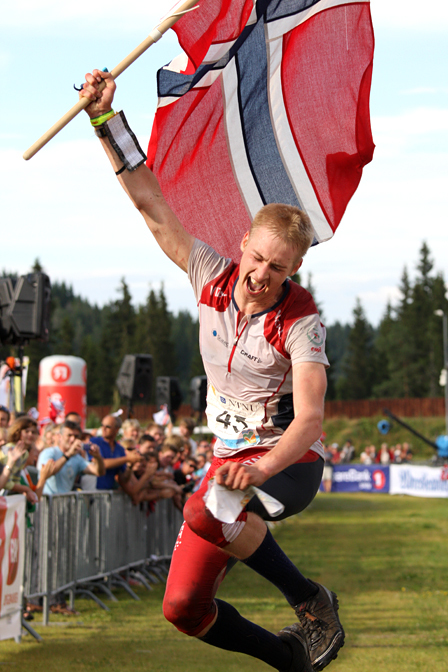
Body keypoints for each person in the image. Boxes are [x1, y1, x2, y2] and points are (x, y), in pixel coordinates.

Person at [80, 70, 344, 672]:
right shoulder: (210, 275)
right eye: (256, 257)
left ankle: (311, 601)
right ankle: (289, 661)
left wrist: (261, 468)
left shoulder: (301, 322)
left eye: (278, 268)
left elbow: (309, 420)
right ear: (242, 244)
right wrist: (105, 123)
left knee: (204, 508)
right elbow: (152, 206)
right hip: (231, 457)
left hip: (288, 460)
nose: (260, 275)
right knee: (183, 609)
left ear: (295, 268)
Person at [37, 420, 105, 495]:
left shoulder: (76, 458)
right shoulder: (49, 452)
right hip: (46, 503)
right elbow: (48, 472)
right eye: (69, 435)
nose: (72, 439)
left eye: (76, 436)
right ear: (60, 436)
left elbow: (99, 472)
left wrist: (98, 457)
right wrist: (68, 454)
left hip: (64, 504)